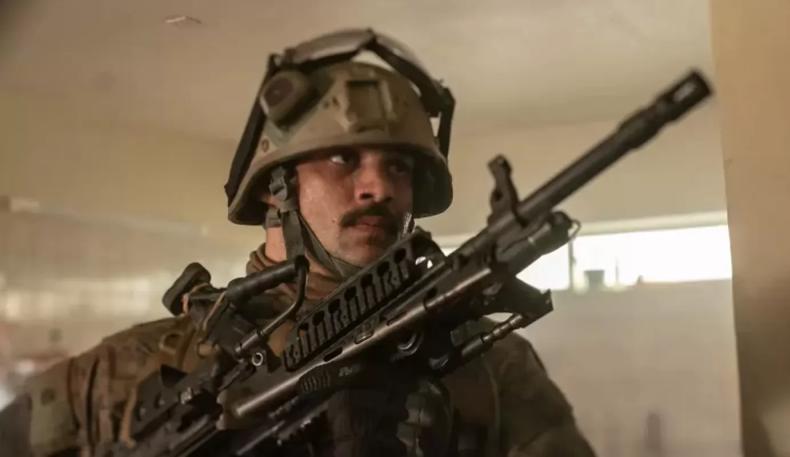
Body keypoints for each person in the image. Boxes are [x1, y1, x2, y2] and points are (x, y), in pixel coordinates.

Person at [0, 29, 595, 457]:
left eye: (399, 167)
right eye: (343, 159)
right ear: (275, 187)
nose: (378, 188)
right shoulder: (123, 373)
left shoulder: (489, 365)